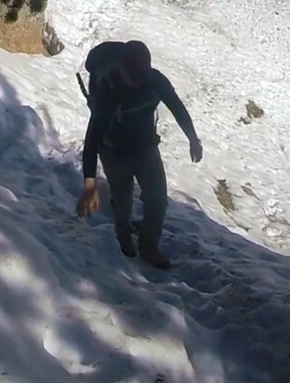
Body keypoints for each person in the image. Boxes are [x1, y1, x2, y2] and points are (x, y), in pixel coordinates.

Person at [74, 40, 203, 268]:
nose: (136, 81)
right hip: (114, 151)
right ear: (121, 68)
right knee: (122, 199)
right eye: (132, 75)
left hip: (145, 147)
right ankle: (123, 233)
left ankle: (149, 245)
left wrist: (193, 138)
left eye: (140, 75)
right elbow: (92, 140)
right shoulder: (108, 92)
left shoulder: (155, 81)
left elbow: (176, 106)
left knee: (158, 198)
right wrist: (90, 185)